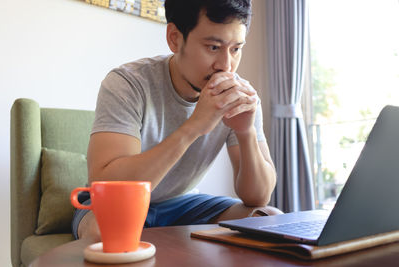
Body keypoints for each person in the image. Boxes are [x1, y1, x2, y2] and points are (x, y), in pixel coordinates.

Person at [72, 0, 281, 242]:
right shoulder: (128, 83)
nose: (226, 65)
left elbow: (258, 197)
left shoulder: (239, 96)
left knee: (266, 218)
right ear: (174, 38)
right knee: (105, 229)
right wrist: (193, 127)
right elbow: (109, 187)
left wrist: (246, 133)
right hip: (113, 204)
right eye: (213, 47)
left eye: (235, 49)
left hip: (184, 202)